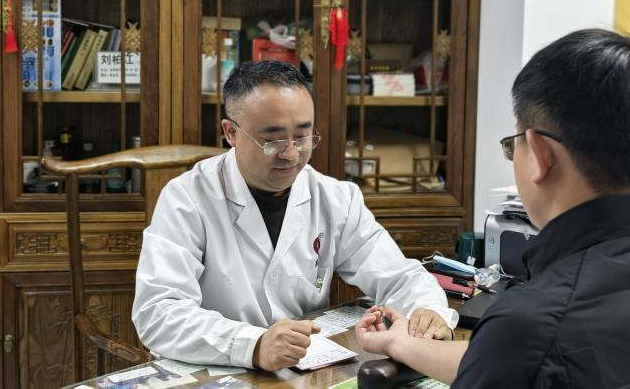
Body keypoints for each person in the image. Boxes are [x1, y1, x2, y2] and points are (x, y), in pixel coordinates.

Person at [356, 29, 630, 388]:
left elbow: (524, 353)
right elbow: (510, 361)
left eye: (514, 145)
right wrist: (400, 343)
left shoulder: (533, 322)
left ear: (540, 154)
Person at [132, 61, 457, 370]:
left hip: (302, 369)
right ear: (231, 133)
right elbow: (157, 312)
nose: (290, 154)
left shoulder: (335, 198)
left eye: (303, 137)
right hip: (212, 368)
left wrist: (428, 312)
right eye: (272, 140)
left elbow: (399, 276)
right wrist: (253, 345)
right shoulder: (187, 198)